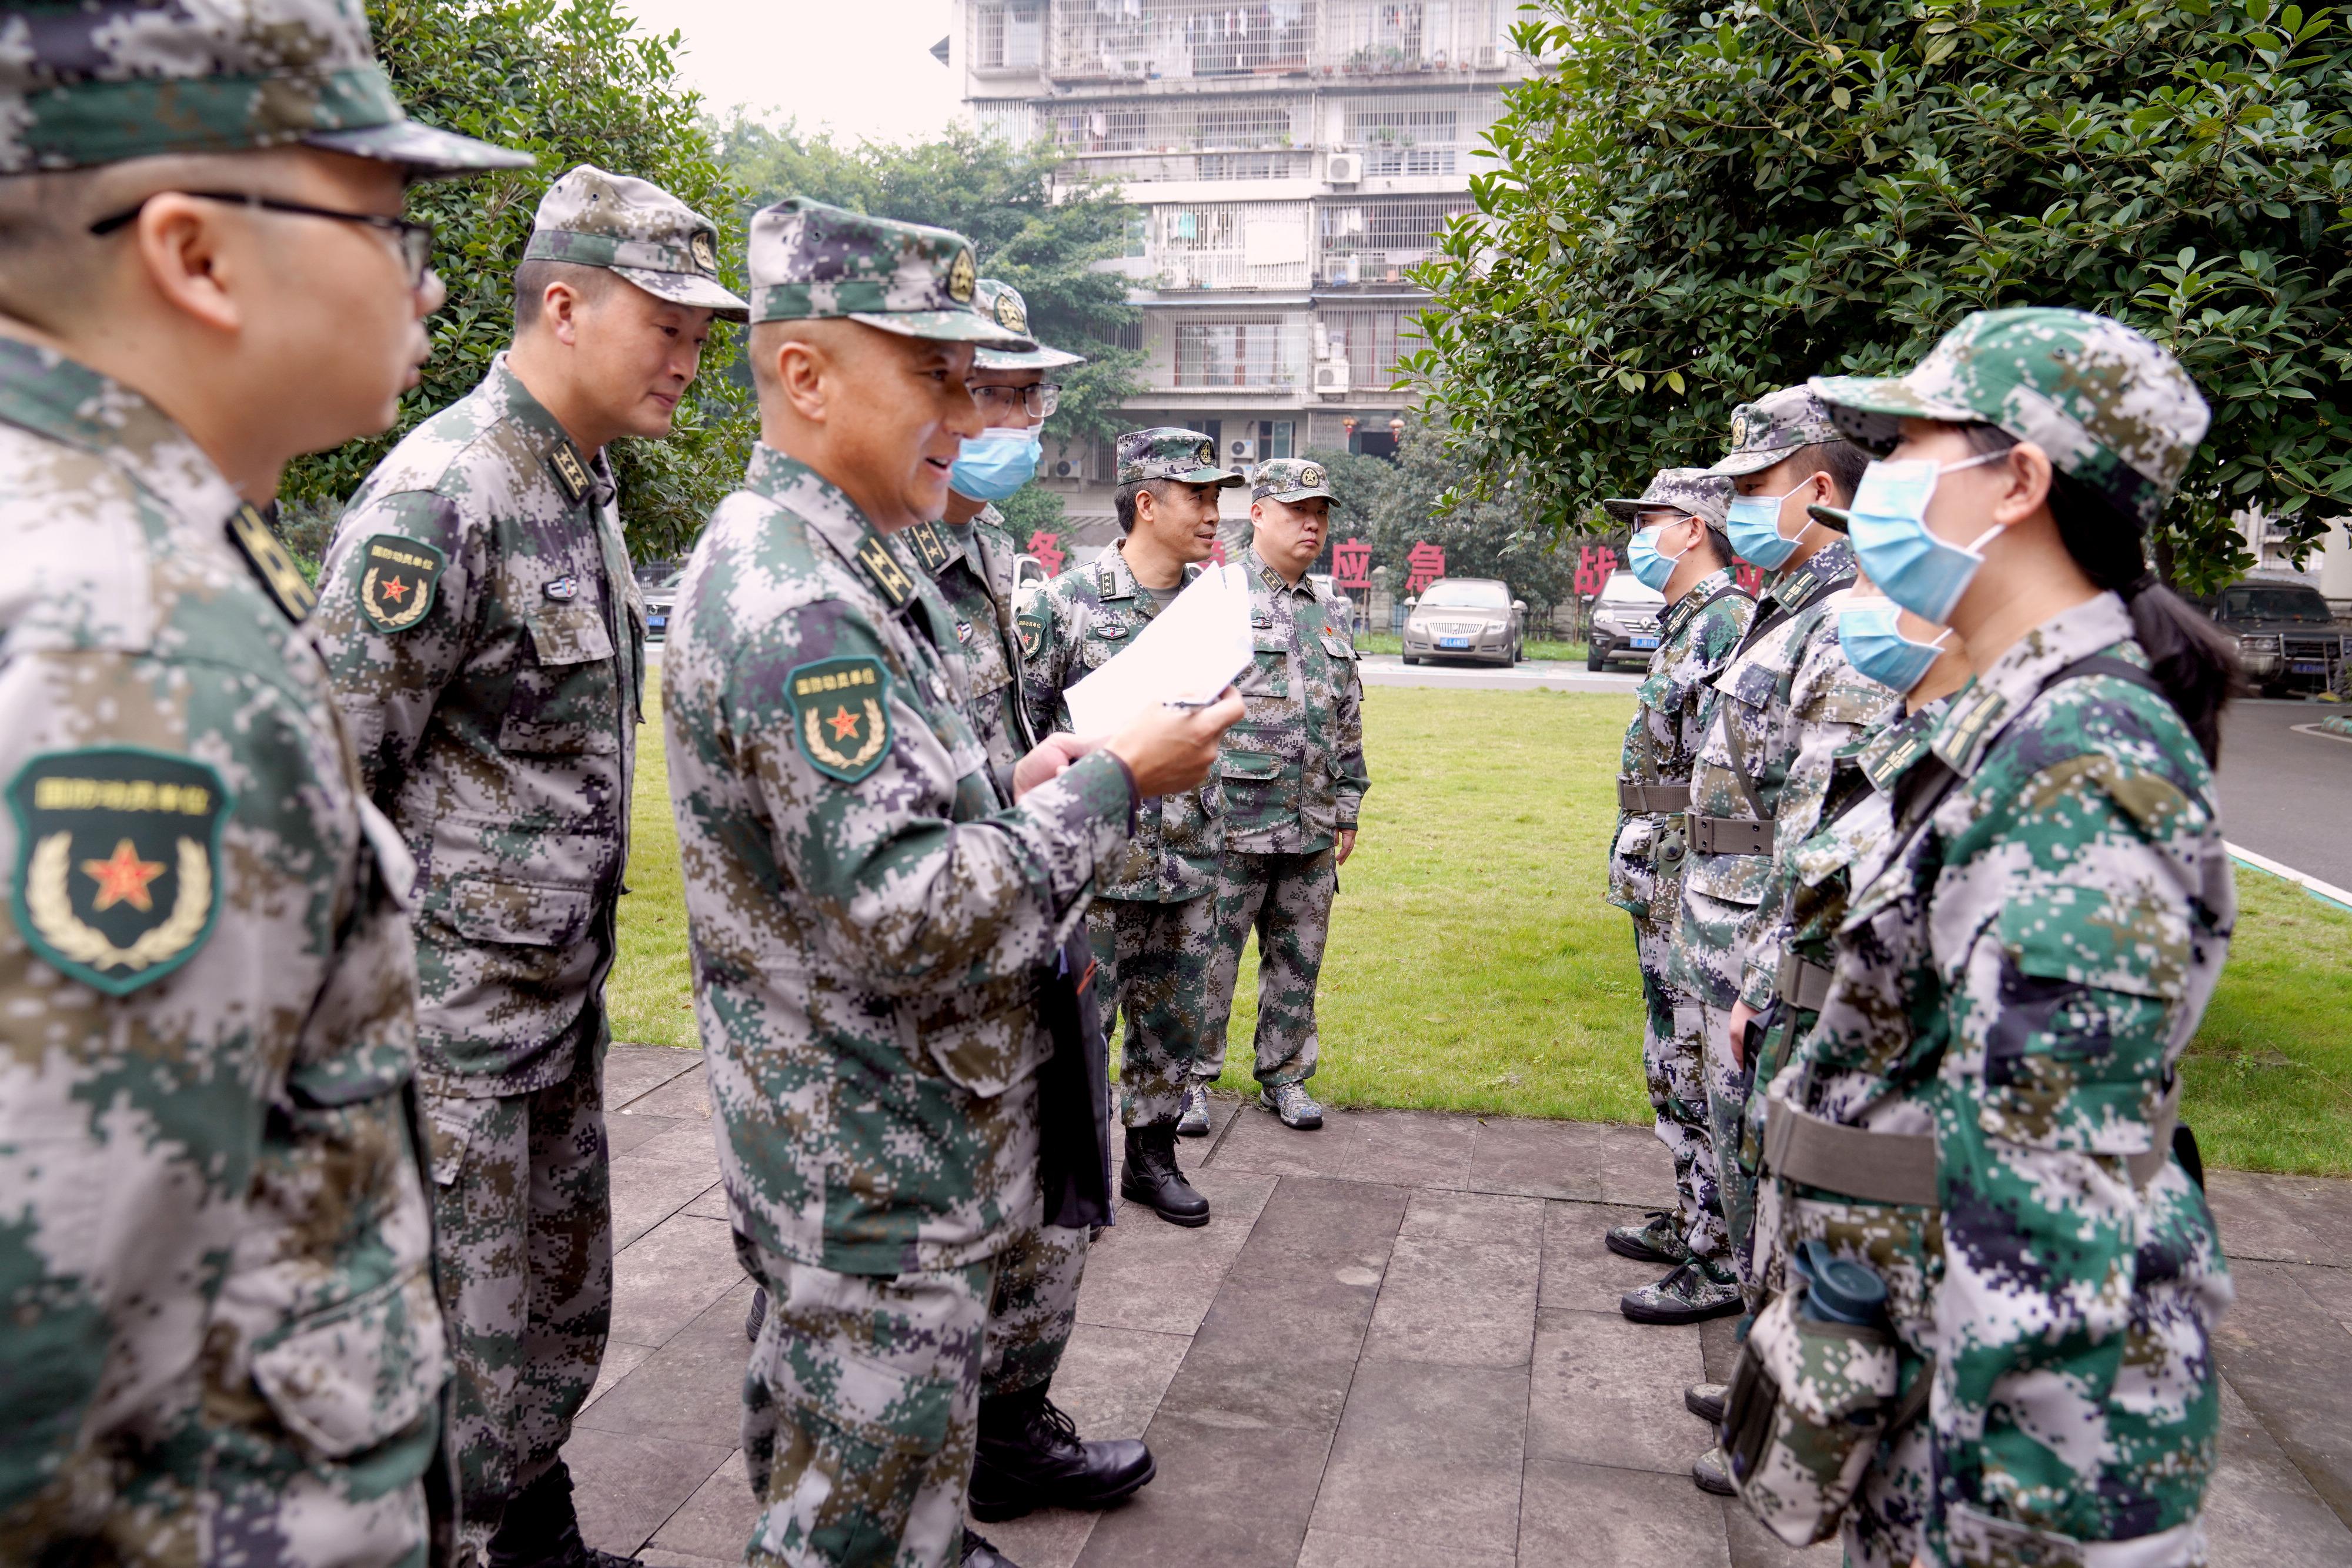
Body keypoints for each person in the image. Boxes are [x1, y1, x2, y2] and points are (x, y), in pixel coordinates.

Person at [0, 4, 529, 1560]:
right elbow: (45, 1332)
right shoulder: (138, 653)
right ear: (197, 256)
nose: (423, 279)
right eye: (382, 219)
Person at [660, 196, 1238, 1568]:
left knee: (888, 1511)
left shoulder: (849, 563)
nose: (971, 415)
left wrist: (1019, 788)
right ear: (804, 374)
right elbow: (913, 917)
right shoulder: (799, 599)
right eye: (934, 374)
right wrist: (1113, 788)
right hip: (866, 1168)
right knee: (846, 1535)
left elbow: (884, 836)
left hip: (892, 1145)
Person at [1726, 308, 2237, 1566]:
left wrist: (2006, 1519)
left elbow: (2049, 1189)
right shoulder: (2017, 721)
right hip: (1936, 1383)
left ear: (2017, 480)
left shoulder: (2080, 763)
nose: (1874, 482)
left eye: (1904, 445)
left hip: (2014, 1456)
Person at [309, 164, 747, 1567]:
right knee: (458, 1341)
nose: (689, 357)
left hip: (549, 1007)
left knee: (551, 1313)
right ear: (565, 304)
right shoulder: (445, 495)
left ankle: (533, 1529)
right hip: (448, 1037)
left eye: (699, 333)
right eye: (665, 325)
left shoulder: (581, 486)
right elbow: (328, 779)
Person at [906, 277, 1158, 1558]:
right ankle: (933, 1481)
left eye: (1030, 392)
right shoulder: (875, 558)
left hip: (1036, 922)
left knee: (1045, 1210)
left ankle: (1009, 1431)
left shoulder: (989, 551)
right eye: (994, 389)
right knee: (938, 1257)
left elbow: (979, 754)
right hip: (946, 958)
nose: (1015, 415)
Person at [1712, 582, 1972, 1524]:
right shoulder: (1934, 735)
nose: (1854, 597)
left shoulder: (2027, 757)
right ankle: (1780, 1377)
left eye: (1872, 580)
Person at [1639, 387, 1893, 1333]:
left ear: (1819, 487)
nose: (1732, 504)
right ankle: (1758, 1346)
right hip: (1719, 917)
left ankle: (1773, 1363)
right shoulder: (1790, 606)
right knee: (1737, 1149)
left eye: (1753, 484)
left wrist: (1767, 969)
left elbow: (1822, 822)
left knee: (1768, 1161)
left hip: (1758, 937)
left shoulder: (1845, 619)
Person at [1018, 427, 1244, 1222]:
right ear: (1146, 502)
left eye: (1220, 496)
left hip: (1189, 856)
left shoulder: (1214, 607)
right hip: (1098, 865)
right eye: (1199, 495)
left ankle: (1153, 1159)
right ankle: (1063, 1181)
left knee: (1174, 1023)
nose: (1216, 513)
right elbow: (1032, 728)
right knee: (1080, 1029)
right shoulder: (1066, 602)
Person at [1591, 469, 1753, 1289]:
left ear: (1692, 528)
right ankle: (1694, 1212)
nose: (1638, 533)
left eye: (1649, 518)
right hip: (1659, 873)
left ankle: (1719, 1250)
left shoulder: (1725, 622)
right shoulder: (1687, 620)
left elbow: (1728, 776)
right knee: (1670, 1053)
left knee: (1695, 1057)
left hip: (1691, 879)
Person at [1194, 457, 1372, 1133]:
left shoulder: (1331, 609)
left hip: (1311, 821)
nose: (1312, 523)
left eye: (1321, 512)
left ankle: (1286, 1076)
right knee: (1209, 960)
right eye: (1298, 510)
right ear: (1258, 514)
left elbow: (1347, 714)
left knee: (1298, 960)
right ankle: (1189, 1081)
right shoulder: (1216, 599)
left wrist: (1348, 806)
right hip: (1231, 820)